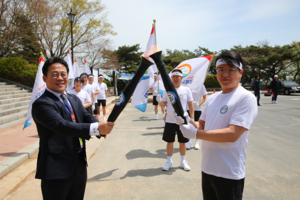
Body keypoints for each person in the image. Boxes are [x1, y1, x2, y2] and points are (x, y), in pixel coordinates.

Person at [175, 51, 258, 200]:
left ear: (240, 73)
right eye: (221, 69)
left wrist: (195, 134)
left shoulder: (246, 98)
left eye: (230, 69)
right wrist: (188, 121)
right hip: (207, 169)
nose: (225, 74)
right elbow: (202, 124)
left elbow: (232, 134)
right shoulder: (213, 98)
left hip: (229, 173)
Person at [32, 57, 114, 200]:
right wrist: (96, 128)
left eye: (63, 74)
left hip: (79, 163)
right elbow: (61, 126)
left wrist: (100, 125)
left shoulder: (73, 99)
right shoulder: (42, 104)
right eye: (55, 74)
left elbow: (86, 117)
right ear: (45, 78)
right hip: (57, 167)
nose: (60, 78)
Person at [157, 69, 194, 171]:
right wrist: (159, 100)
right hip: (170, 120)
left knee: (183, 142)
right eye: (174, 77)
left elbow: (190, 105)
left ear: (181, 78)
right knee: (170, 142)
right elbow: (163, 106)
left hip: (182, 120)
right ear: (171, 78)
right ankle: (169, 161)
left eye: (178, 77)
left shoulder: (186, 90)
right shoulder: (167, 91)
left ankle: (183, 161)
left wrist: (192, 119)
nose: (175, 79)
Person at [186, 85, 207, 150]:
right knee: (189, 125)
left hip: (197, 108)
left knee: (197, 126)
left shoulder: (201, 85)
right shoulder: (188, 85)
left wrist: (198, 104)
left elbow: (204, 98)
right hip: (188, 108)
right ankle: (189, 141)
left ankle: (197, 141)